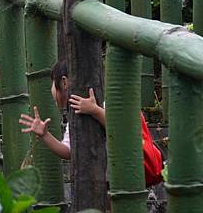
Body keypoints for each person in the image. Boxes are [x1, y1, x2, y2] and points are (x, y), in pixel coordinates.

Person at [18, 60, 163, 186]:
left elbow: (121, 129)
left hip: (128, 173)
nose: (51, 90)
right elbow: (68, 151)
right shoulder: (74, 115)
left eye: (52, 83)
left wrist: (95, 110)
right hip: (109, 179)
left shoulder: (108, 102)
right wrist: (45, 135)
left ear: (64, 82)